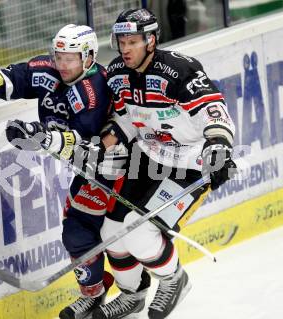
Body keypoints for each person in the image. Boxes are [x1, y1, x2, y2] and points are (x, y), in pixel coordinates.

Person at [0, 24, 119, 319]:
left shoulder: (93, 91)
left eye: (71, 58)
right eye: (59, 56)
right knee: (78, 234)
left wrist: (40, 134)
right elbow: (18, 77)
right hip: (89, 169)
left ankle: (136, 290)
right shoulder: (49, 69)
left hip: (118, 165)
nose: (62, 64)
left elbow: (83, 144)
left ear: (89, 57)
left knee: (121, 234)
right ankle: (93, 294)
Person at [88, 8, 236, 319]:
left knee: (139, 234)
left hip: (192, 163)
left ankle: (174, 280)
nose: (125, 48)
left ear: (151, 40)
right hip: (149, 156)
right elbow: (128, 120)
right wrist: (102, 144)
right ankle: (132, 294)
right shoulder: (117, 73)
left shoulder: (179, 71)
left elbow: (214, 111)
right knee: (111, 230)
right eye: (121, 42)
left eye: (132, 41)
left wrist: (219, 147)